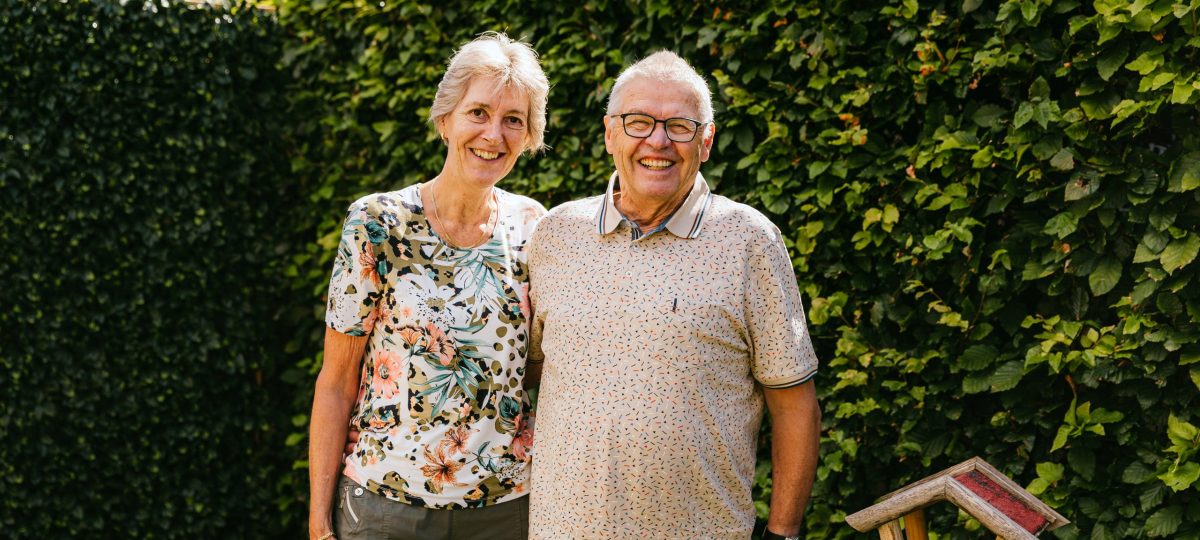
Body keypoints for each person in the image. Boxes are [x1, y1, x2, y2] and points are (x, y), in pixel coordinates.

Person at [525, 51, 821, 540]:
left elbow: (794, 403)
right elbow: (527, 372)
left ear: (705, 142)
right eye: (638, 121)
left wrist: (782, 533)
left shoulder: (750, 241)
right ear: (609, 134)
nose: (657, 141)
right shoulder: (555, 235)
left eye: (679, 127)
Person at [308, 32, 549, 540]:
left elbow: (540, 371)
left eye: (514, 120)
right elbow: (336, 380)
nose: (494, 134)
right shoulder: (377, 223)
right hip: (383, 508)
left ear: (529, 137)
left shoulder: (535, 229)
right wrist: (318, 522)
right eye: (478, 112)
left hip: (504, 512)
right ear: (446, 119)